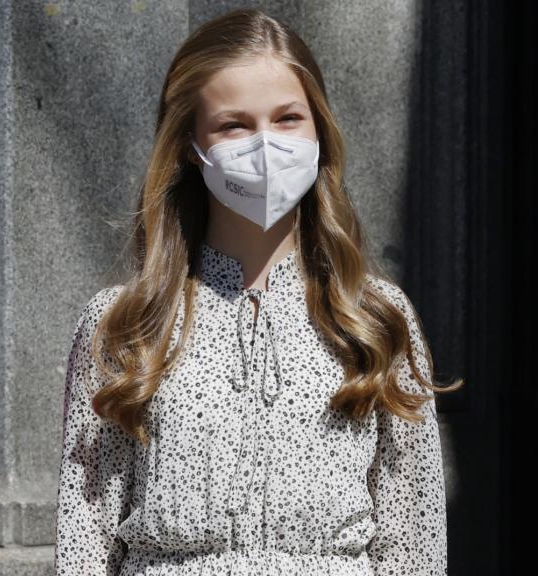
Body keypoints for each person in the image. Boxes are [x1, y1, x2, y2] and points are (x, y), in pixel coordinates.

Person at [55, 8, 463, 576]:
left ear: (319, 129)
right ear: (189, 147)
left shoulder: (375, 319)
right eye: (234, 125)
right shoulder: (126, 322)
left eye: (288, 118)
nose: (265, 144)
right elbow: (86, 533)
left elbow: (413, 539)